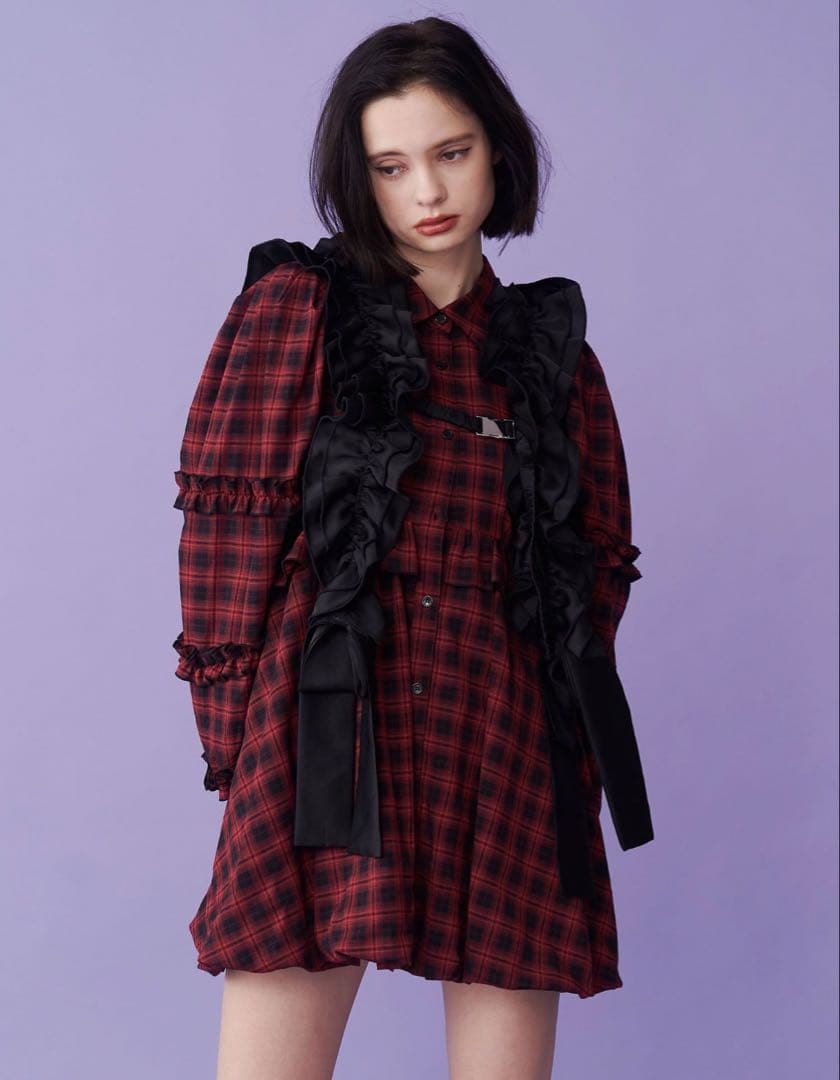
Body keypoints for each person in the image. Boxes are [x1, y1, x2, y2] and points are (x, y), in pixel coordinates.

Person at [171, 15, 652, 1080]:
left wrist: (565, 743)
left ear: (498, 151)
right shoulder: (299, 312)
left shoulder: (552, 358)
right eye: (391, 167)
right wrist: (240, 747)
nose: (427, 191)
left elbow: (596, 569)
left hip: (505, 742)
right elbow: (227, 538)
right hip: (325, 738)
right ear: (360, 178)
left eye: (452, 152)